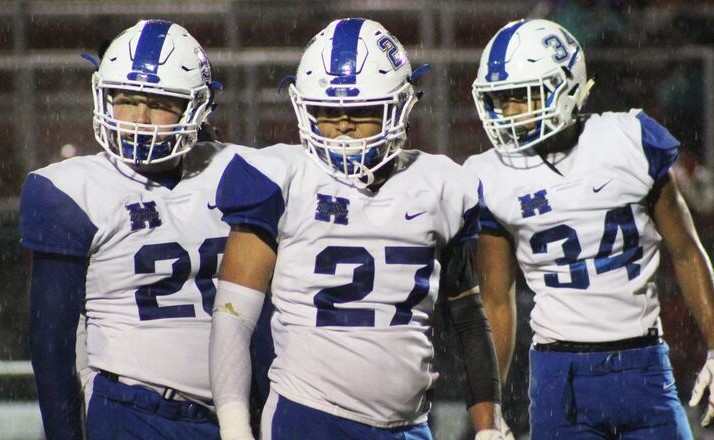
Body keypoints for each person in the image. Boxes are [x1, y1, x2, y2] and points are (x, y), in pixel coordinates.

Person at [208, 18, 512, 440]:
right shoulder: (281, 178)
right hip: (309, 416)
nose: (343, 125)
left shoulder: (441, 184)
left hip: (410, 425)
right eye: (328, 112)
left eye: (362, 110)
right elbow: (232, 318)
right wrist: (235, 425)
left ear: (400, 107)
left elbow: (466, 318)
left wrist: (489, 426)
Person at [465, 18, 714, 439]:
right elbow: (497, 300)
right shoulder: (490, 174)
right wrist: (490, 412)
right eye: (501, 100)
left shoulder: (630, 140)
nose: (509, 112)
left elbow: (686, 250)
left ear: (565, 85)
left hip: (644, 359)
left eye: (521, 96)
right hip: (559, 373)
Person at [19, 19, 261, 439]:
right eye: (127, 99)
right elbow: (52, 343)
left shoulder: (239, 172)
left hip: (230, 413)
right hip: (131, 408)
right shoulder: (73, 189)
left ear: (197, 108)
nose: (139, 119)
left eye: (160, 103)